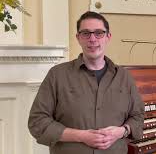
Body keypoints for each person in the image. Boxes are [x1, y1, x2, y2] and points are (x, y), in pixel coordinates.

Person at [28, 11, 145, 154]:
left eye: (99, 33)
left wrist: (121, 131)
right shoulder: (57, 75)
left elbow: (138, 116)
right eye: (86, 33)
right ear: (78, 38)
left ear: (108, 37)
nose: (92, 39)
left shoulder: (124, 77)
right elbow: (37, 121)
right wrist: (81, 136)